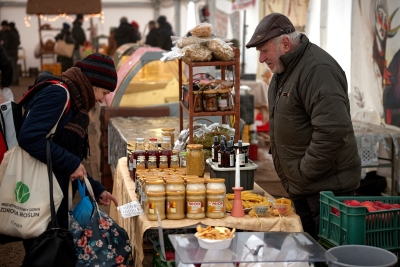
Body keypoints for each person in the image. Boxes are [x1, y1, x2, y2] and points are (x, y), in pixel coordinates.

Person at [246, 13, 361, 239]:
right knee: (309, 251)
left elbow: (333, 131)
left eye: (264, 51)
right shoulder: (284, 70)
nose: (261, 59)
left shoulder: (318, 70)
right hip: (305, 187)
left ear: (285, 44)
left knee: (327, 252)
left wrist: (302, 173)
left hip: (326, 190)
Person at [17, 53, 119, 253]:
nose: (101, 100)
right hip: (41, 195)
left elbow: (67, 156)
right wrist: (71, 164)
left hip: (53, 191)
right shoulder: (59, 95)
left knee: (51, 252)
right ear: (93, 84)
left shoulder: (75, 101)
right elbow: (29, 137)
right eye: (104, 92)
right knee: (44, 253)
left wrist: (96, 189)